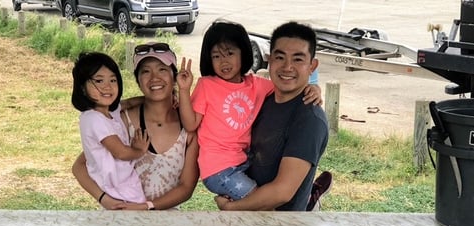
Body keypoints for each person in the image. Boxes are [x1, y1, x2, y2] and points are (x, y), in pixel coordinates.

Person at [178, 21, 322, 202]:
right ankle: (309, 203)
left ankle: (307, 197)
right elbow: (190, 124)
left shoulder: (257, 86)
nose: (224, 61)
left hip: (243, 163)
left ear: (244, 53)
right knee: (259, 202)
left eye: (230, 53)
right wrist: (184, 91)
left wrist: (314, 87)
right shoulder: (207, 85)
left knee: (259, 200)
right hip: (218, 168)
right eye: (216, 56)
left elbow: (287, 86)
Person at [215, 21, 330, 211]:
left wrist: (232, 208)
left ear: (312, 66)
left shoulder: (309, 120)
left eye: (298, 59)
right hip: (248, 212)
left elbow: (282, 191)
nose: (287, 67)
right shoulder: (262, 99)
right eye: (280, 57)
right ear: (269, 60)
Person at [72, 43, 200, 210]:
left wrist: (146, 206)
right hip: (122, 217)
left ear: (174, 76)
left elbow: (186, 188)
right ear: (138, 81)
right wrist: (103, 198)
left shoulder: (189, 129)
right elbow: (79, 166)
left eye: (162, 69)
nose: (154, 77)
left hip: (168, 223)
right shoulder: (122, 121)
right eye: (146, 71)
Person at [71, 52, 149, 205]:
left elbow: (127, 103)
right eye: (99, 81)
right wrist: (139, 150)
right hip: (119, 191)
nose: (107, 86)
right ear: (82, 88)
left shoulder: (108, 111)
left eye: (113, 80)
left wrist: (149, 99)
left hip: (125, 185)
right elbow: (120, 152)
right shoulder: (94, 119)